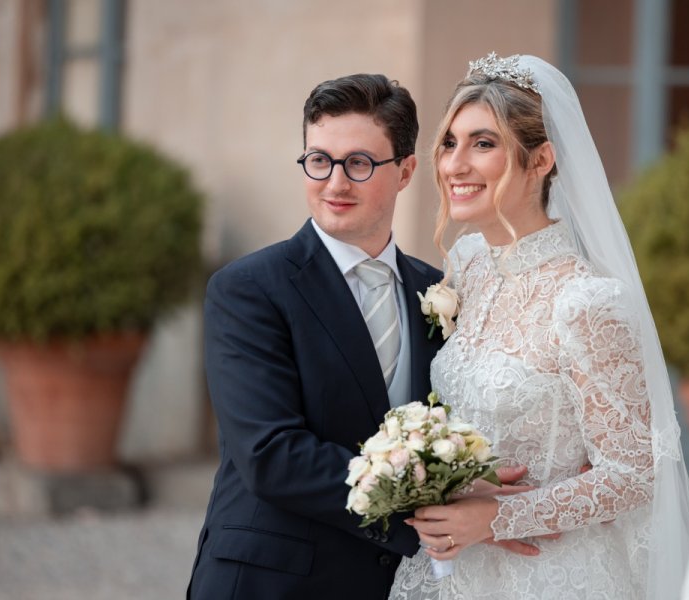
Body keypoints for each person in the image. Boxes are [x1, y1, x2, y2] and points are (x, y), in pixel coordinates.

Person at [187, 73, 536, 600]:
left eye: (359, 163)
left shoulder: (440, 290)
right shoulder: (249, 289)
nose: (334, 183)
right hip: (271, 580)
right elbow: (271, 456)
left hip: (392, 583)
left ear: (406, 171)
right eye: (319, 160)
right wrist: (443, 490)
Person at [389, 54, 689, 600]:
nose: (455, 164)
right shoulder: (467, 265)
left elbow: (635, 471)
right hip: (454, 571)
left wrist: (499, 518)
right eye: (450, 143)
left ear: (541, 160)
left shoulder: (587, 302)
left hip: (554, 574)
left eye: (483, 144)